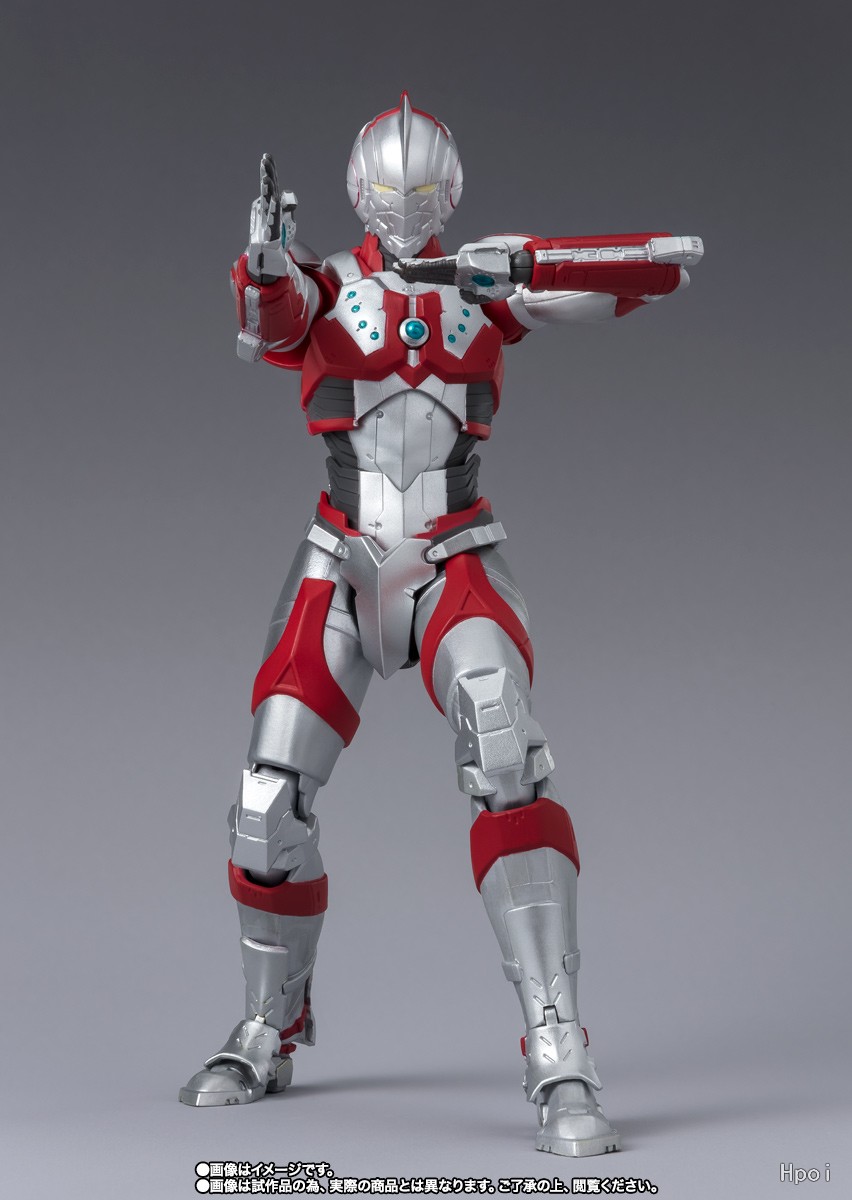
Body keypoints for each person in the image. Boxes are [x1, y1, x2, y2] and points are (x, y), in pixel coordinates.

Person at [179, 93, 702, 1157]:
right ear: (358, 191)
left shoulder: (485, 285)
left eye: (424, 192)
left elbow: (654, 274)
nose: (406, 208)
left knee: (508, 758)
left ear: (450, 195)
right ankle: (269, 1025)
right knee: (267, 801)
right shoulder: (326, 285)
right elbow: (270, 321)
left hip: (453, 557)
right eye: (390, 190)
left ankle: (559, 1047)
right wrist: (264, 269)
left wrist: (529, 266)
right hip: (341, 557)